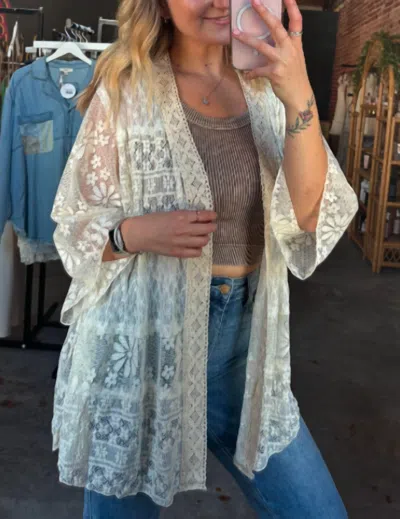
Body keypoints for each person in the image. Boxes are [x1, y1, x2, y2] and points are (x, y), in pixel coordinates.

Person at [51, 0, 358, 517]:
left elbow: (309, 215)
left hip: (247, 357)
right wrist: (135, 233)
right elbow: (74, 227)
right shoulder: (127, 88)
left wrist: (298, 93)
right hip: (143, 349)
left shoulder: (265, 89)